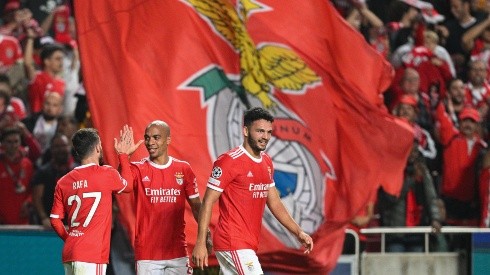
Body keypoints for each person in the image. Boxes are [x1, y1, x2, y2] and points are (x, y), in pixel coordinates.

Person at [192, 107, 314, 273]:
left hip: (248, 244)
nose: (265, 137)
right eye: (260, 131)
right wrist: (200, 242)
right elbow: (207, 201)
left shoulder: (267, 162)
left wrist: (298, 232)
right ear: (246, 131)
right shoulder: (229, 161)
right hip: (232, 241)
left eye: (269, 132)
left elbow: (275, 203)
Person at [124, 120, 211, 274]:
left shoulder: (183, 169)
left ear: (168, 140)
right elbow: (123, 185)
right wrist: (124, 158)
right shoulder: (138, 169)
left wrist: (205, 236)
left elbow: (197, 207)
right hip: (147, 255)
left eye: (156, 137)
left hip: (177, 252)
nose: (150, 142)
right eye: (147, 138)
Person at [49, 127, 134, 275]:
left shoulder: (63, 182)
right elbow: (128, 185)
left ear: (76, 151)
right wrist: (123, 156)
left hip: (70, 253)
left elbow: (55, 220)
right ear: (98, 147)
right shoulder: (106, 173)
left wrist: (70, 239)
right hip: (92, 254)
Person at [31, 133, 76, 228]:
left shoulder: (80, 170)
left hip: (75, 224)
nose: (60, 149)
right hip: (50, 226)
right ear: (51, 149)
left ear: (69, 147)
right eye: (57, 146)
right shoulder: (42, 172)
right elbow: (37, 198)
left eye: (63, 146)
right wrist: (44, 218)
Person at [0, 126, 34, 224]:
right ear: (2, 144)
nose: (13, 145)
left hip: (23, 220)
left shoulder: (27, 164)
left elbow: (33, 190)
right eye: (9, 142)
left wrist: (28, 202)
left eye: (16, 141)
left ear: (20, 143)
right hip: (2, 223)